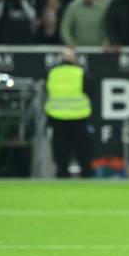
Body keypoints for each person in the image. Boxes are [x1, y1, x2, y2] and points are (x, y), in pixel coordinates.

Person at [45, 48, 93, 178]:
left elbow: (47, 91)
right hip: (79, 117)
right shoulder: (81, 73)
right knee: (83, 152)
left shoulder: (52, 73)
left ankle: (62, 176)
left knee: (61, 153)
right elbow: (91, 92)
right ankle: (86, 177)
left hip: (57, 117)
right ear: (75, 60)